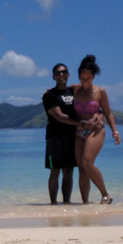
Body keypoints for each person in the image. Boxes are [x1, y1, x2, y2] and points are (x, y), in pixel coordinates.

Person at [72, 54, 120, 204]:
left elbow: (108, 112)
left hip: (96, 131)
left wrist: (114, 131)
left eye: (88, 79)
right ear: (79, 76)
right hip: (79, 130)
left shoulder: (100, 92)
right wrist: (47, 92)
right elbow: (58, 92)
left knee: (87, 162)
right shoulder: (74, 89)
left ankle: (105, 195)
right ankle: (85, 203)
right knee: (81, 169)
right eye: (82, 78)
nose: (85, 82)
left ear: (93, 77)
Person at [41, 63, 79, 204]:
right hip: (55, 137)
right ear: (53, 77)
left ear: (68, 74)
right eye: (57, 73)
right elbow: (59, 116)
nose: (61, 75)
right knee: (55, 170)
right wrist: (81, 124)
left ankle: (67, 203)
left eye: (64, 72)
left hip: (72, 137)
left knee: (68, 172)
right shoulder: (49, 95)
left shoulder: (74, 92)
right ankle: (53, 204)